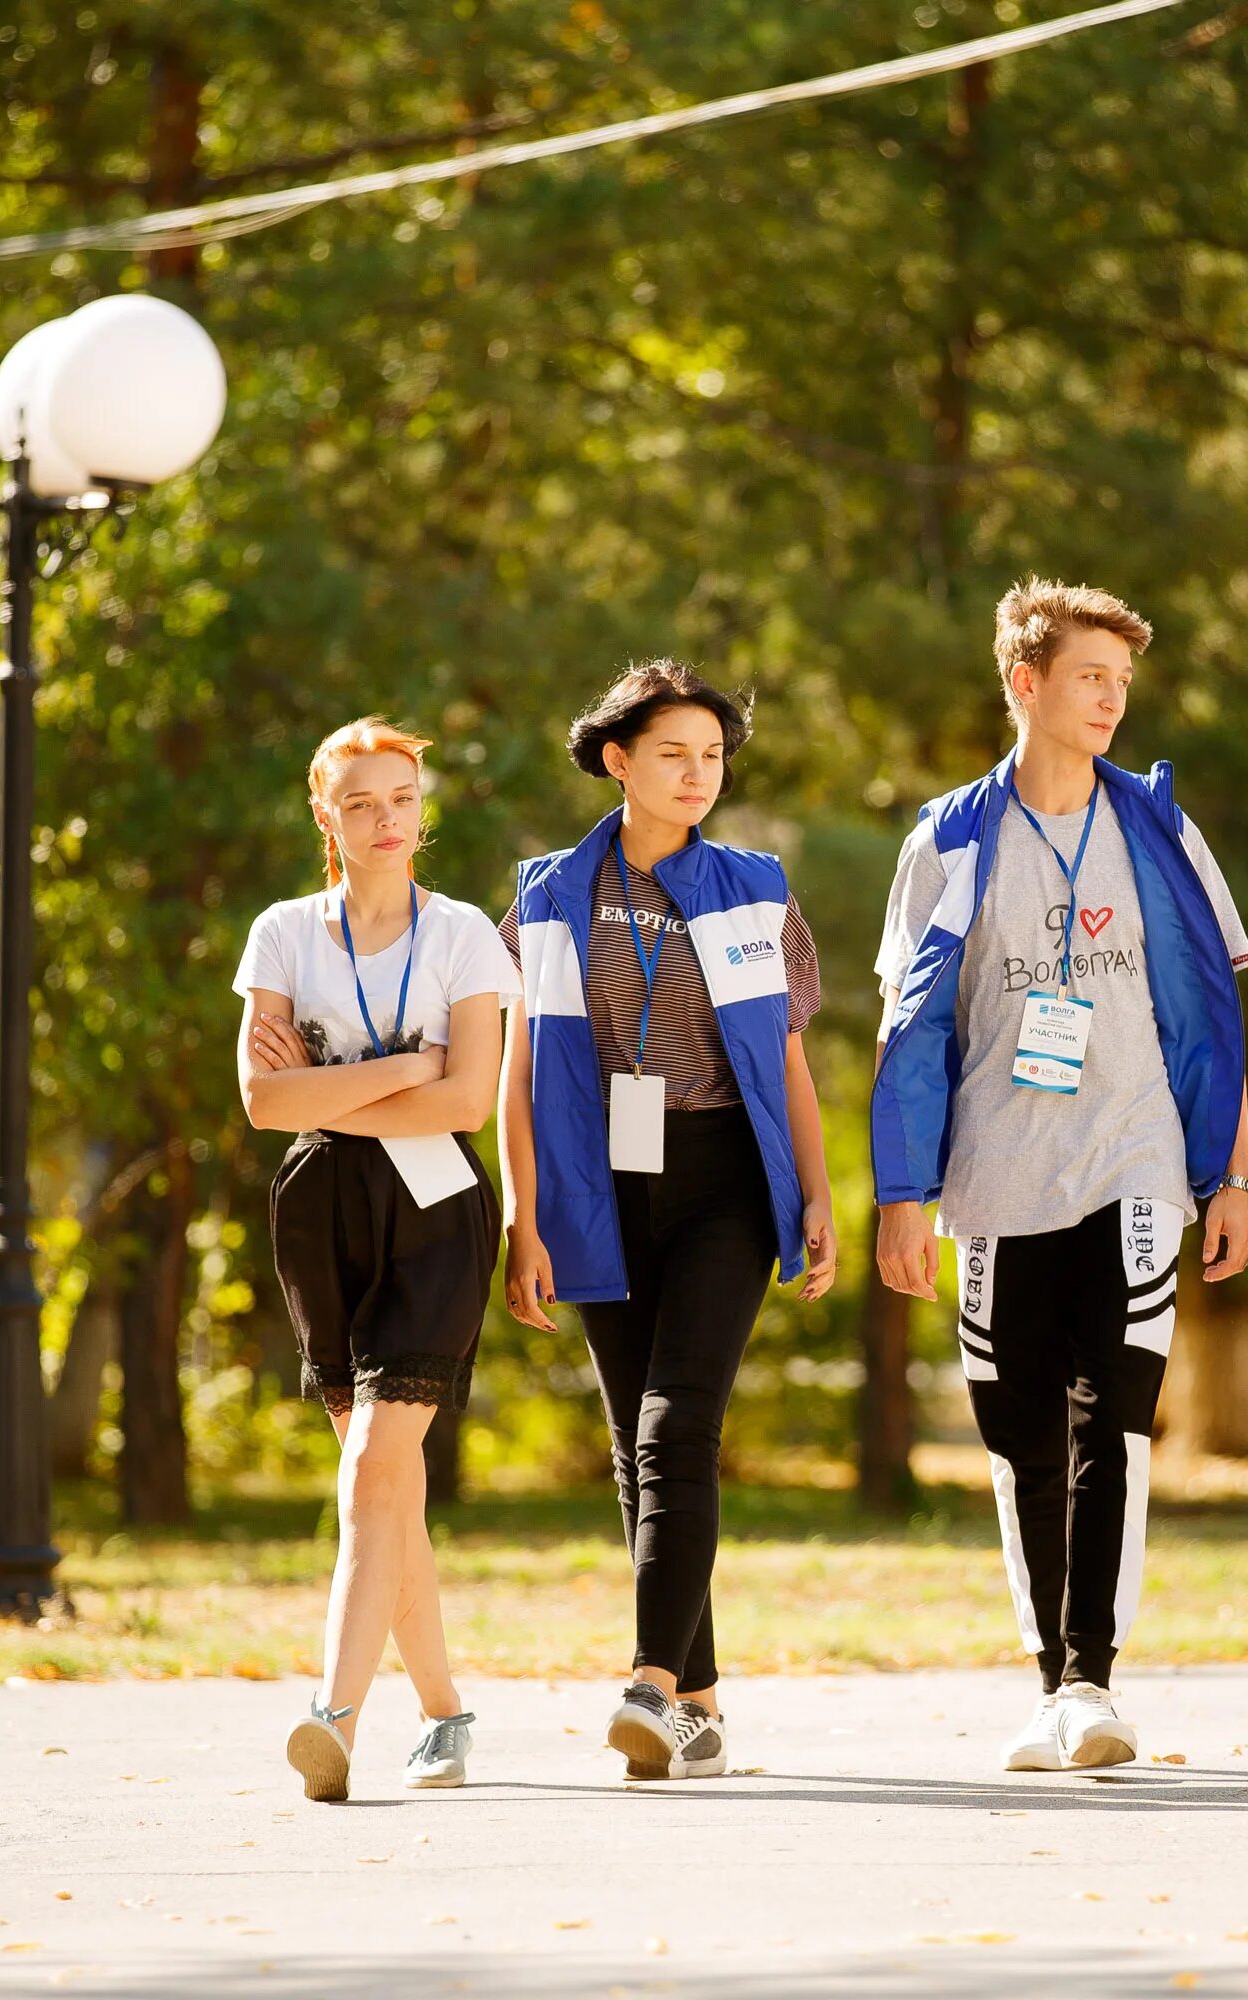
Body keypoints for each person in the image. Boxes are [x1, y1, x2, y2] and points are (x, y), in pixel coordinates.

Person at [872, 577, 1248, 1773]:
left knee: (1116, 1420)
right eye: (1090, 676)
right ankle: (1053, 1678)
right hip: (995, 1171)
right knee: (1018, 1436)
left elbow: (1210, 1012)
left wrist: (1233, 1172)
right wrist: (901, 1192)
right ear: (1023, 683)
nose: (1112, 698)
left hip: (1135, 1156)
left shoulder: (1158, 827)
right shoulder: (945, 837)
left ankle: (1090, 1677)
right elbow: (910, 1029)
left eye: (1122, 680)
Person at [498, 662, 841, 1782]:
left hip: (725, 1177)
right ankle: (696, 1697)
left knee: (675, 1420)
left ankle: (646, 1678)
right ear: (617, 760)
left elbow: (788, 1053)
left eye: (711, 755)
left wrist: (822, 1192)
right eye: (672, 754)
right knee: (629, 1447)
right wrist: (524, 1212)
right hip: (597, 1175)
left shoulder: (755, 884)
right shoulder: (546, 893)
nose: (698, 774)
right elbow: (511, 1068)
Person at [234, 717, 515, 1801]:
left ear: (422, 806)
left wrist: (331, 1081)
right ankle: (446, 1712)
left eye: (401, 797)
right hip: (321, 1213)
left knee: (374, 1470)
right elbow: (263, 1101)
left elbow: (464, 1100)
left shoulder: (464, 939)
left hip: (437, 1206)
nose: (387, 818)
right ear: (327, 815)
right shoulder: (284, 934)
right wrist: (404, 1064)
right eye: (361, 801)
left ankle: (333, 1714)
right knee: (384, 1487)